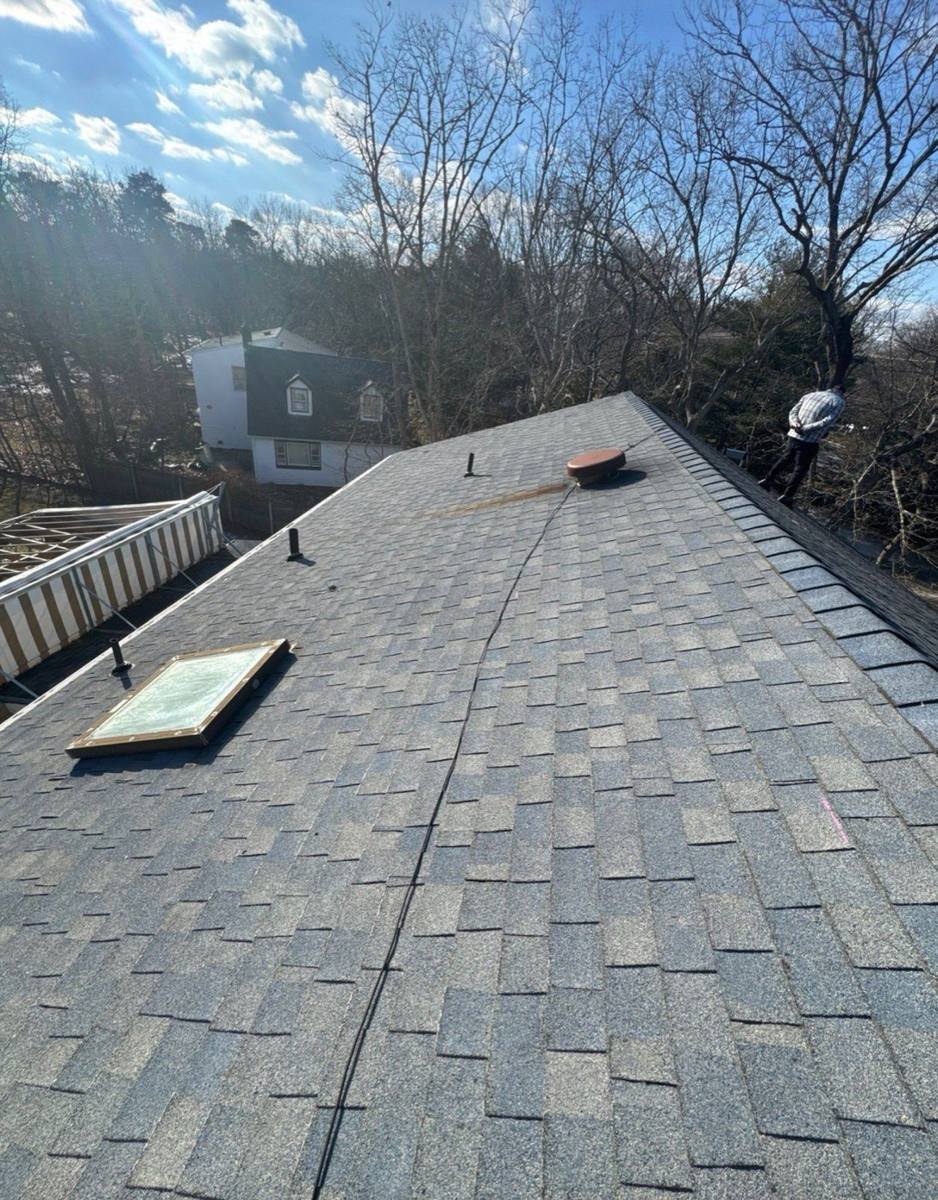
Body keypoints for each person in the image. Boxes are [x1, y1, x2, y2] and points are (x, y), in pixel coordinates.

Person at [758, 383, 845, 507]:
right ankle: (787, 495)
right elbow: (827, 421)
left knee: (786, 458)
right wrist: (805, 429)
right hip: (809, 439)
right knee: (801, 468)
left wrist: (794, 424)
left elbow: (793, 411)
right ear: (841, 393)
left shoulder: (811, 394)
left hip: (794, 434)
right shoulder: (838, 402)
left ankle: (767, 479)